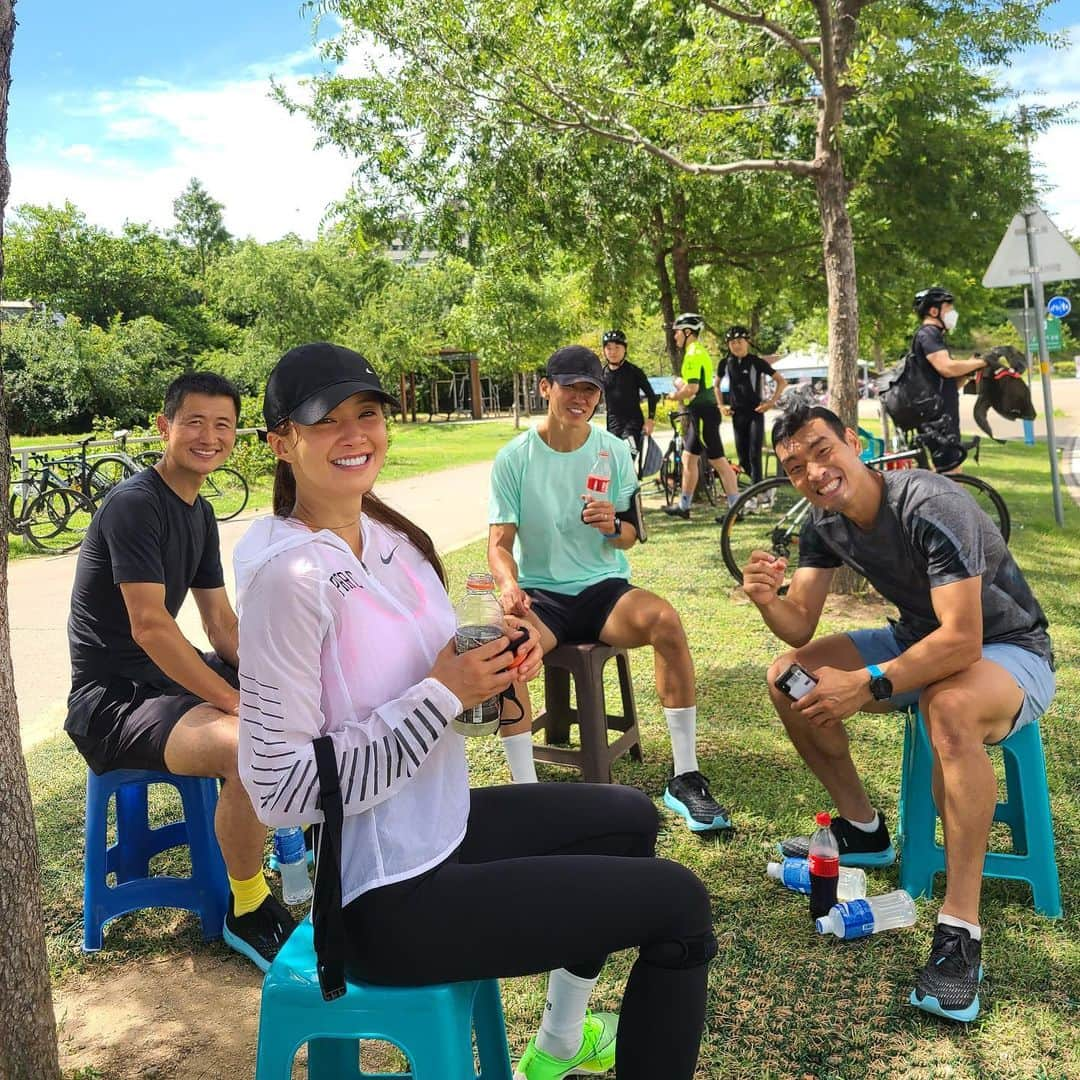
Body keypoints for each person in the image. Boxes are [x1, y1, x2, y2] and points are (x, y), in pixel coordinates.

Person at [235, 341, 716, 1080]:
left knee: (630, 817)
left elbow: (434, 677)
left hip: (441, 824)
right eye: (326, 421)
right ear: (281, 442)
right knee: (678, 904)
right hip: (382, 897)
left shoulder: (389, 539)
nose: (354, 435)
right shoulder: (288, 577)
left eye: (367, 414)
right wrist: (441, 694)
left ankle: (558, 1041)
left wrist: (492, 666)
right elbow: (277, 789)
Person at [742, 402, 1055, 1023]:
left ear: (852, 442)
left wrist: (870, 683)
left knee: (950, 706)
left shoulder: (929, 502)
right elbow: (798, 623)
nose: (813, 471)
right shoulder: (824, 524)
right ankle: (863, 829)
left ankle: (961, 929)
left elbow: (963, 641)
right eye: (796, 465)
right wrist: (765, 600)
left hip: (1008, 648)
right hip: (917, 639)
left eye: (821, 449)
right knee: (787, 677)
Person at [65, 372, 294, 970]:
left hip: (160, 683)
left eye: (223, 425)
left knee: (300, 703)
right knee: (250, 746)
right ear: (164, 427)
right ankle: (246, 908)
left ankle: (293, 845)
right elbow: (151, 626)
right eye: (194, 422)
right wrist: (235, 701)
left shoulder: (199, 511)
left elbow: (219, 622)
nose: (209, 436)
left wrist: (276, 679)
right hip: (112, 702)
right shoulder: (134, 506)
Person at [488, 344, 733, 833]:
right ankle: (525, 792)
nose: (581, 397)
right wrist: (509, 584)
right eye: (570, 387)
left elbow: (630, 534)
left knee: (665, 619)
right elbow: (499, 545)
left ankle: (685, 775)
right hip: (543, 597)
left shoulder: (613, 450)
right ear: (546, 388)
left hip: (604, 590)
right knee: (506, 647)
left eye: (590, 389)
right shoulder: (514, 458)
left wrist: (609, 526)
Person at [662, 313, 739, 519]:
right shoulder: (694, 352)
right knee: (688, 459)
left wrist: (674, 395)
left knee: (719, 461)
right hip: (699, 413)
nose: (675, 336)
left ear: (688, 332)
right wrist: (681, 384)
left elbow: (693, 388)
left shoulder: (693, 353)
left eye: (677, 332)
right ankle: (684, 506)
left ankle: (735, 509)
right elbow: (694, 384)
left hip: (704, 413)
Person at [909, 288, 988, 472]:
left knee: (950, 477)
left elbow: (950, 383)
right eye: (948, 308)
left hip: (944, 420)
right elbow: (947, 367)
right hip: (938, 423)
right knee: (952, 479)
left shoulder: (935, 337)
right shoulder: (928, 334)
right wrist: (981, 362)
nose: (953, 313)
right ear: (934, 311)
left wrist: (969, 369)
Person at [715, 325, 787, 492]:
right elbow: (716, 386)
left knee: (755, 454)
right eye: (732, 343)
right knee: (743, 457)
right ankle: (756, 490)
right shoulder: (725, 363)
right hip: (736, 414)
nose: (736, 345)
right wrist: (721, 406)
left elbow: (781, 381)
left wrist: (770, 402)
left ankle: (758, 493)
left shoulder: (756, 362)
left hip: (755, 413)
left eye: (739, 341)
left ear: (747, 342)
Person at [600, 328, 658, 458]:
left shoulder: (634, 371)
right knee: (611, 462)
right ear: (604, 350)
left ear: (625, 349)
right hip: (613, 425)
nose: (613, 352)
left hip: (633, 424)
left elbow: (651, 395)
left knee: (629, 454)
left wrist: (650, 420)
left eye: (617, 347)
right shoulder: (602, 374)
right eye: (609, 348)